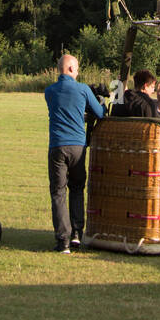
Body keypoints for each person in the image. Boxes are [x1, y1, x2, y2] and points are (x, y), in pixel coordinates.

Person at [44, 53, 105, 252]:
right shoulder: (83, 89)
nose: (78, 72)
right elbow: (100, 113)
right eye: (77, 68)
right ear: (70, 69)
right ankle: (77, 233)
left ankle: (63, 240)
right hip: (78, 146)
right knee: (77, 189)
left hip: (57, 146)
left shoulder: (49, 91)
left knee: (58, 193)